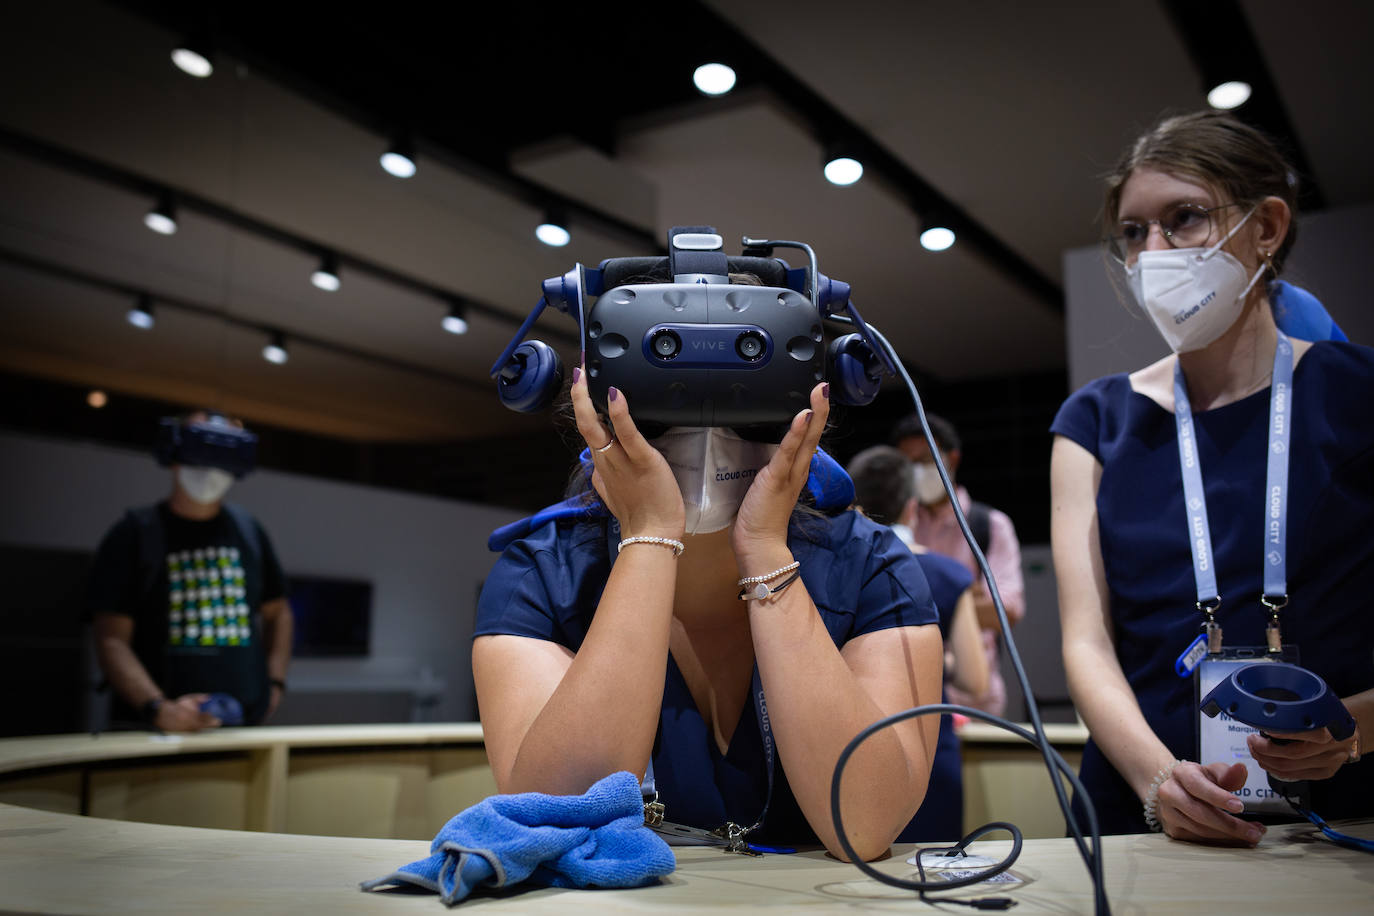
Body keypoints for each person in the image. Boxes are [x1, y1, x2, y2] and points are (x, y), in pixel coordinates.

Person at [1050, 110, 1372, 844]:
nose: (1153, 252)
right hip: (1141, 816)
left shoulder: (1359, 396)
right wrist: (1159, 780)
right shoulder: (1095, 421)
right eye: (1134, 233)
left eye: (1184, 219)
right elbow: (1086, 642)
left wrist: (1356, 729)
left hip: (1340, 820)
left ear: (1266, 227)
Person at [473, 372, 945, 862]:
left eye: (741, 391)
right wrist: (650, 536)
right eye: (667, 388)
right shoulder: (542, 572)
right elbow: (557, 821)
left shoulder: (870, 563)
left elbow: (866, 826)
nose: (705, 428)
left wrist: (764, 547)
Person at [90, 411, 293, 732]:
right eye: (201, 451)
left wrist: (275, 683)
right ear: (174, 455)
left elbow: (278, 612)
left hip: (242, 728)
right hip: (157, 731)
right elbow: (112, 638)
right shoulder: (136, 532)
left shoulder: (248, 531)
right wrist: (157, 707)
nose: (210, 470)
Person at [847, 444, 989, 840]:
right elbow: (975, 681)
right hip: (928, 752)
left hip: (851, 747)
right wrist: (932, 660)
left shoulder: (838, 569)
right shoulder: (946, 573)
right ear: (911, 507)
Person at [891, 412, 1025, 717]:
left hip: (975, 701)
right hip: (910, 699)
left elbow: (1008, 609)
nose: (916, 471)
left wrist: (921, 605)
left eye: (925, 460)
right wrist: (966, 597)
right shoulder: (898, 524)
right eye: (907, 463)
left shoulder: (989, 525)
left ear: (952, 458)